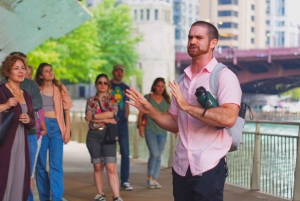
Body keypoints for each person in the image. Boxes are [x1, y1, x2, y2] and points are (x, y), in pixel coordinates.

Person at [126, 21, 242, 201]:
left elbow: (228, 118)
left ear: (213, 43)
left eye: (199, 37)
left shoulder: (224, 77)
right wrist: (149, 110)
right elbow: (174, 124)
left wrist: (187, 106)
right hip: (181, 166)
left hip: (209, 166)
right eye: (190, 37)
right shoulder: (181, 80)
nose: (192, 41)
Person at [0, 52, 42, 201]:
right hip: (4, 143)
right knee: (3, 177)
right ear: (8, 71)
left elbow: (32, 121)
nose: (21, 71)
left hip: (22, 142)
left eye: (22, 68)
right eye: (16, 68)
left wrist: (28, 119)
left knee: (19, 178)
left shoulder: (26, 94)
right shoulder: (1, 90)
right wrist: (5, 105)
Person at [35, 63, 73, 201]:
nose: (50, 72)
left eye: (51, 70)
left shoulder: (60, 88)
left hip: (57, 127)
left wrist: (67, 131)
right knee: (40, 165)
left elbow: (67, 111)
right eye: (46, 71)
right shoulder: (36, 89)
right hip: (41, 128)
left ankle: (57, 197)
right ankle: (44, 197)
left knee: (56, 165)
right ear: (41, 75)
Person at [85, 73, 123, 201]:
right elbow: (87, 117)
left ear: (108, 85)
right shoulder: (91, 100)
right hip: (93, 135)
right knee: (97, 166)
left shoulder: (112, 99)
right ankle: (100, 194)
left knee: (111, 167)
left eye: (105, 83)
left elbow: (112, 113)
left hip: (108, 135)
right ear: (96, 84)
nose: (102, 85)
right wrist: (106, 118)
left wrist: (95, 117)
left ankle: (116, 196)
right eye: (100, 82)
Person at [137, 78, 171, 189]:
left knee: (158, 155)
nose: (160, 88)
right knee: (155, 154)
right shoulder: (148, 97)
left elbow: (170, 116)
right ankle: (149, 177)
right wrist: (141, 127)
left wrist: (175, 129)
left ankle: (154, 179)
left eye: (162, 86)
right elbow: (141, 114)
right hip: (150, 130)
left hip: (162, 132)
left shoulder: (167, 99)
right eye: (158, 86)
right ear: (154, 86)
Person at [110, 64, 133, 191]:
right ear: (113, 72)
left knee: (125, 152)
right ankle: (106, 177)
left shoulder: (126, 88)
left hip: (123, 123)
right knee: (108, 152)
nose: (119, 73)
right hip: (110, 122)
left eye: (122, 71)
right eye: (117, 71)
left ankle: (125, 180)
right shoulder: (107, 85)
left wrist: (126, 118)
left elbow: (127, 105)